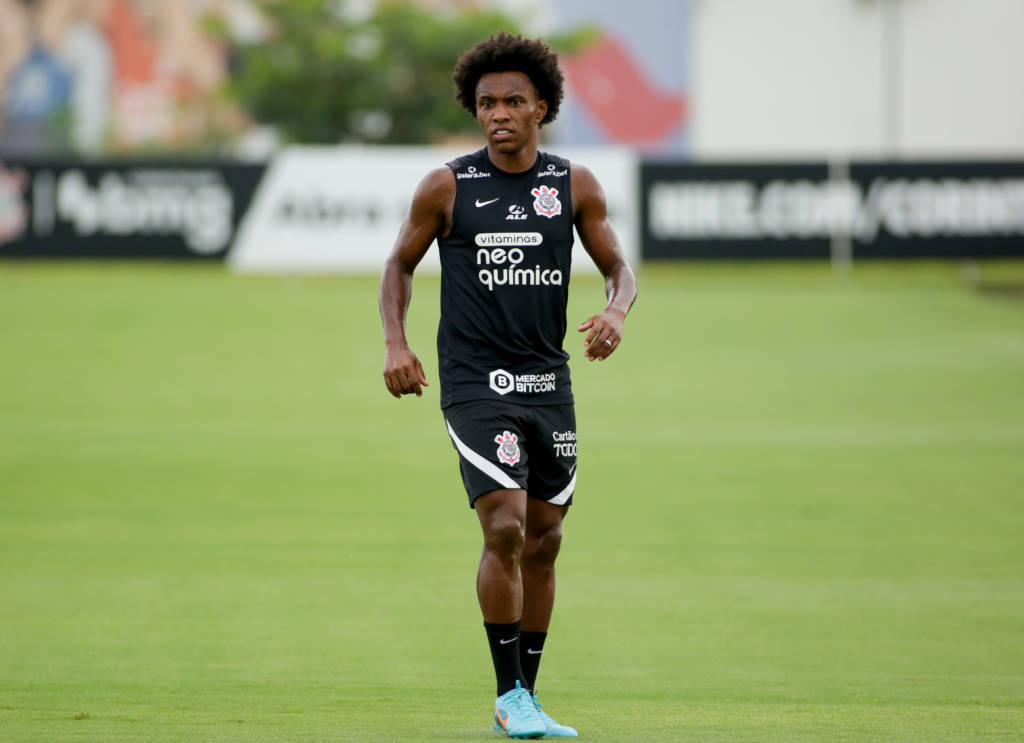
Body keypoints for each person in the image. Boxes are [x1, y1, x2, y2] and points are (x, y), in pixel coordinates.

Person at [379, 32, 636, 739]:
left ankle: (526, 695)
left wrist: (616, 311)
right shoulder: (448, 186)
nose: (498, 114)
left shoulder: (574, 186)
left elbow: (619, 268)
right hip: (474, 382)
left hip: (547, 382)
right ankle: (508, 693)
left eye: (513, 102)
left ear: (541, 107)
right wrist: (396, 342)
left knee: (545, 539)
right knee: (506, 526)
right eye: (487, 103)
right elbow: (398, 265)